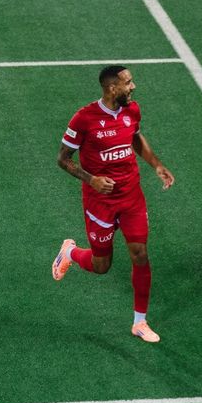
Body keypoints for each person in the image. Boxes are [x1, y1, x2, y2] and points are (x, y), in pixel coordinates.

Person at [51, 66, 175, 342]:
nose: (133, 87)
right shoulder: (84, 119)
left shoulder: (132, 111)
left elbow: (135, 138)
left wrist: (156, 164)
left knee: (140, 254)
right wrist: (91, 179)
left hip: (131, 197)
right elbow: (63, 159)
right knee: (101, 265)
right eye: (128, 83)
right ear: (111, 88)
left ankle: (139, 322)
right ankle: (70, 253)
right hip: (100, 203)